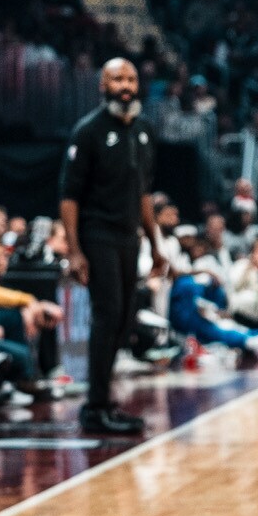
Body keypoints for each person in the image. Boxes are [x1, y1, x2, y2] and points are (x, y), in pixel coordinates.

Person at [59, 58, 167, 435]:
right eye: (117, 78)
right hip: (97, 234)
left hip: (128, 236)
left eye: (131, 78)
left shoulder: (144, 131)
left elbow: (144, 195)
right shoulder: (87, 131)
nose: (125, 84)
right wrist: (74, 251)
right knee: (108, 315)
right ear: (102, 86)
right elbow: (69, 197)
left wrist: (156, 245)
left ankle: (105, 402)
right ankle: (95, 407)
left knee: (122, 320)